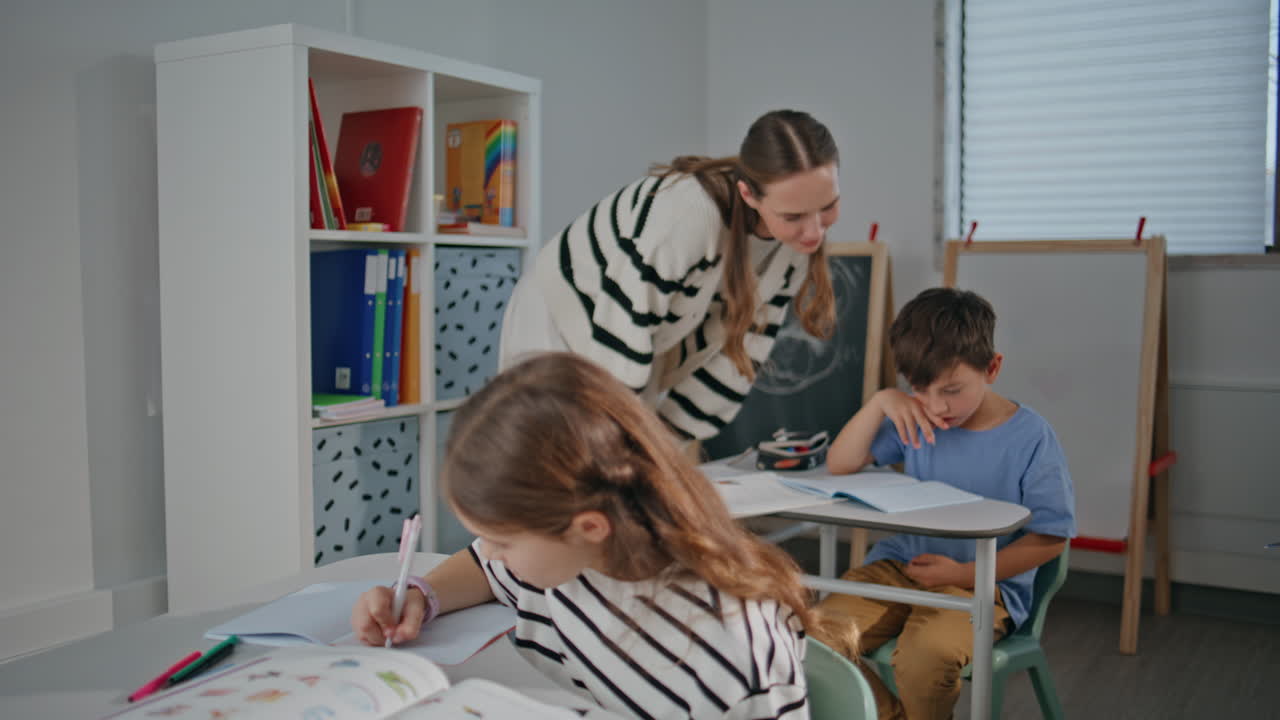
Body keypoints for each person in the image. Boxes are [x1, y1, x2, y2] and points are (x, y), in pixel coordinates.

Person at [352, 352, 856, 719]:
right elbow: (482, 567)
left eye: (503, 541)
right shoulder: (575, 554)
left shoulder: (727, 652)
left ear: (589, 527)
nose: (494, 555)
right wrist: (424, 594)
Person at [499, 109, 841, 441]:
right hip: (563, 319)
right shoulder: (688, 215)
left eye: (827, 207)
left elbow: (742, 355)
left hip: (638, 340)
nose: (814, 232)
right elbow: (623, 325)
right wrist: (628, 442)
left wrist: (668, 439)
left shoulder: (792, 250)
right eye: (793, 216)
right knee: (556, 464)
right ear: (749, 195)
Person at [819, 287, 1076, 720]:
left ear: (992, 368)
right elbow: (840, 465)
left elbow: (1051, 539)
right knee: (815, 638)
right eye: (920, 389)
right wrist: (882, 401)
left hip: (983, 585)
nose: (938, 406)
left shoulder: (1030, 437)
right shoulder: (917, 419)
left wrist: (965, 574)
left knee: (926, 657)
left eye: (952, 389)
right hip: (902, 567)